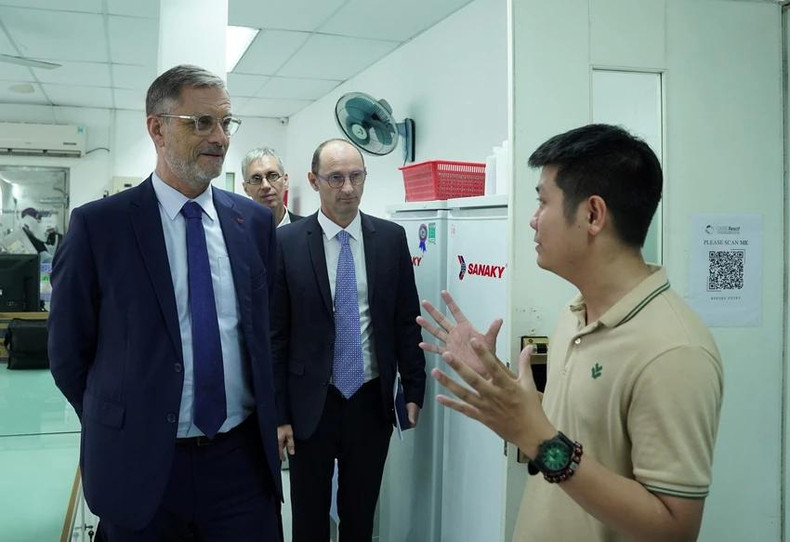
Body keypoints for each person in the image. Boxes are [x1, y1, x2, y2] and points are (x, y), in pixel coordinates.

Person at [418, 124, 724, 542]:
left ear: (592, 215)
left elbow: (674, 528)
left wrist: (537, 439)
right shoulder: (574, 313)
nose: (532, 219)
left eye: (543, 201)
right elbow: (570, 429)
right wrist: (500, 385)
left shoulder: (675, 351)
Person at [48, 64, 283, 541]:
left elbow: (264, 334)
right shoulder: (100, 227)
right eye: (201, 123)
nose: (219, 137)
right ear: (157, 127)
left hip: (240, 465)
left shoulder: (253, 224)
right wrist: (120, 417)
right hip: (140, 466)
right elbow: (68, 354)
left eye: (225, 122)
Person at [272, 138, 426, 542]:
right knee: (309, 515)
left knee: (360, 515)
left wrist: (413, 388)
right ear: (314, 180)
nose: (347, 188)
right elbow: (276, 334)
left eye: (356, 176)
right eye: (335, 178)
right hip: (310, 406)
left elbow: (406, 321)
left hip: (370, 401)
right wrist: (279, 414)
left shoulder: (390, 240)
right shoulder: (286, 244)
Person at [242, 147, 302, 227]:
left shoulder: (309, 229)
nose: (265, 186)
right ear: (246, 189)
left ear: (285, 181)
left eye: (273, 176)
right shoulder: (237, 233)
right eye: (256, 179)